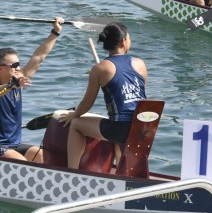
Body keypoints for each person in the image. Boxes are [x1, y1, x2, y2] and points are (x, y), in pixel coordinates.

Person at [58, 23, 147, 170]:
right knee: (118, 127)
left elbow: (87, 104)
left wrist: (73, 115)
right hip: (143, 126)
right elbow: (140, 97)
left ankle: (71, 171)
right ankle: (122, 171)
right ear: (123, 41)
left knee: (75, 125)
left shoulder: (100, 68)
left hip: (120, 129)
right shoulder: (140, 64)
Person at [0, 11, 64, 161]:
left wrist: (55, 32)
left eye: (19, 64)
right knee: (22, 163)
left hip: (14, 144)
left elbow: (39, 56)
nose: (18, 68)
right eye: (14, 65)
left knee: (44, 156)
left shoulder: (19, 81)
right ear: (0, 68)